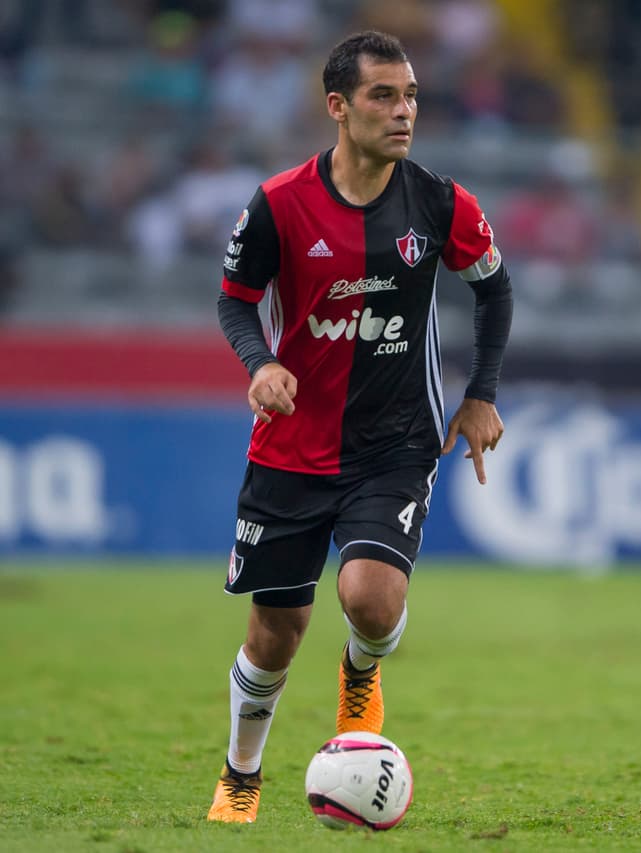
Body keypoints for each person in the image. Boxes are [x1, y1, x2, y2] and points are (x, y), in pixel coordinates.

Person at [206, 30, 513, 824]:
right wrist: (260, 364)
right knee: (275, 631)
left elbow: (496, 290)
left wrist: (480, 394)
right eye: (384, 95)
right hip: (292, 446)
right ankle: (241, 776)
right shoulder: (278, 203)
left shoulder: (442, 203)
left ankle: (361, 668)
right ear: (338, 107)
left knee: (370, 600)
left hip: (396, 443)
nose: (403, 110)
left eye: (410, 95)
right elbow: (235, 298)